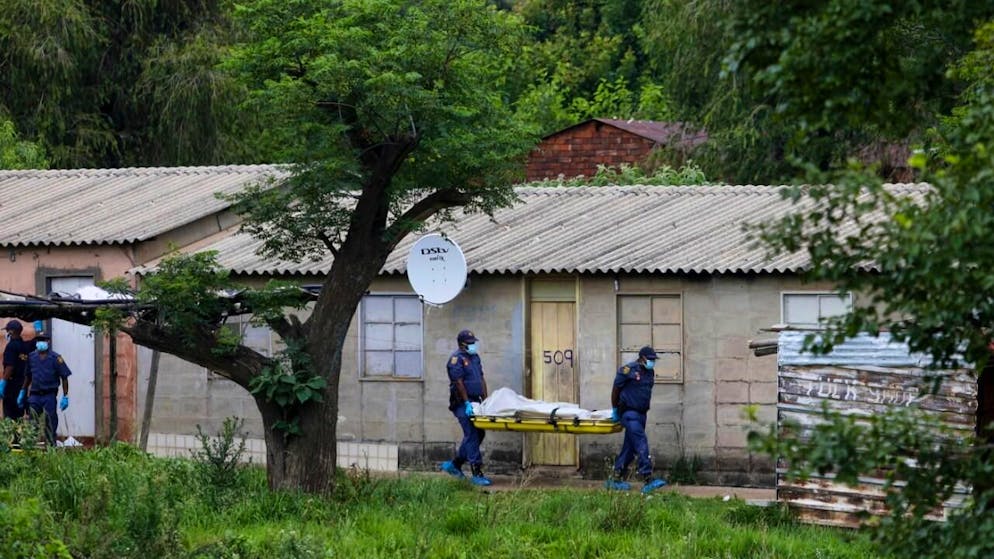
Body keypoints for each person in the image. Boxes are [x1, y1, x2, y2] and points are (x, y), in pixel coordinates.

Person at [606, 345, 667, 494]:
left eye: (654, 360)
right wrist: (615, 409)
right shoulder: (628, 370)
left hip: (641, 414)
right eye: (650, 359)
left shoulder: (650, 373)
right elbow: (616, 389)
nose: (653, 362)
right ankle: (647, 478)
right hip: (629, 413)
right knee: (641, 442)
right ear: (642, 358)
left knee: (630, 448)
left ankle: (615, 478)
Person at [439, 329, 492, 486]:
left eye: (473, 343)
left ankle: (455, 465)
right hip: (463, 404)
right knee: (472, 435)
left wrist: (486, 400)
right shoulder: (456, 360)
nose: (473, 345)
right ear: (461, 344)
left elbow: (481, 378)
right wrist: (467, 402)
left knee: (479, 434)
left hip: (477, 401)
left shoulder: (474, 357)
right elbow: (459, 382)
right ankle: (477, 472)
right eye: (470, 343)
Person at [20, 337, 71, 446]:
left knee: (50, 421)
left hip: (49, 395)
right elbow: (28, 376)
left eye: (43, 340)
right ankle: (30, 445)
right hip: (35, 395)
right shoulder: (31, 357)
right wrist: (22, 391)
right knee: (32, 422)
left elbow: (64, 377)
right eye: (38, 340)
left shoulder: (56, 358)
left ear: (48, 342)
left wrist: (65, 396)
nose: (40, 343)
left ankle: (50, 446)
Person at [0, 320, 34, 420]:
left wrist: (3, 382)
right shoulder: (26, 346)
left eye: (7, 331)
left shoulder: (11, 346)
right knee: (18, 415)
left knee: (9, 416)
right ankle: (17, 435)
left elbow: (10, 366)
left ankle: (12, 435)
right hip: (23, 384)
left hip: (12, 385)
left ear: (11, 332)